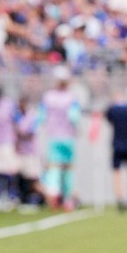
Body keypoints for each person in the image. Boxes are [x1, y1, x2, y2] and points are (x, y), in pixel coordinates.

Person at [39, 67, 81, 210]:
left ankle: (54, 194)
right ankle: (68, 199)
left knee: (54, 167)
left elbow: (42, 117)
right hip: (68, 136)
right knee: (68, 168)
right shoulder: (71, 97)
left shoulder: (48, 97)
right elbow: (74, 117)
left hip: (53, 136)